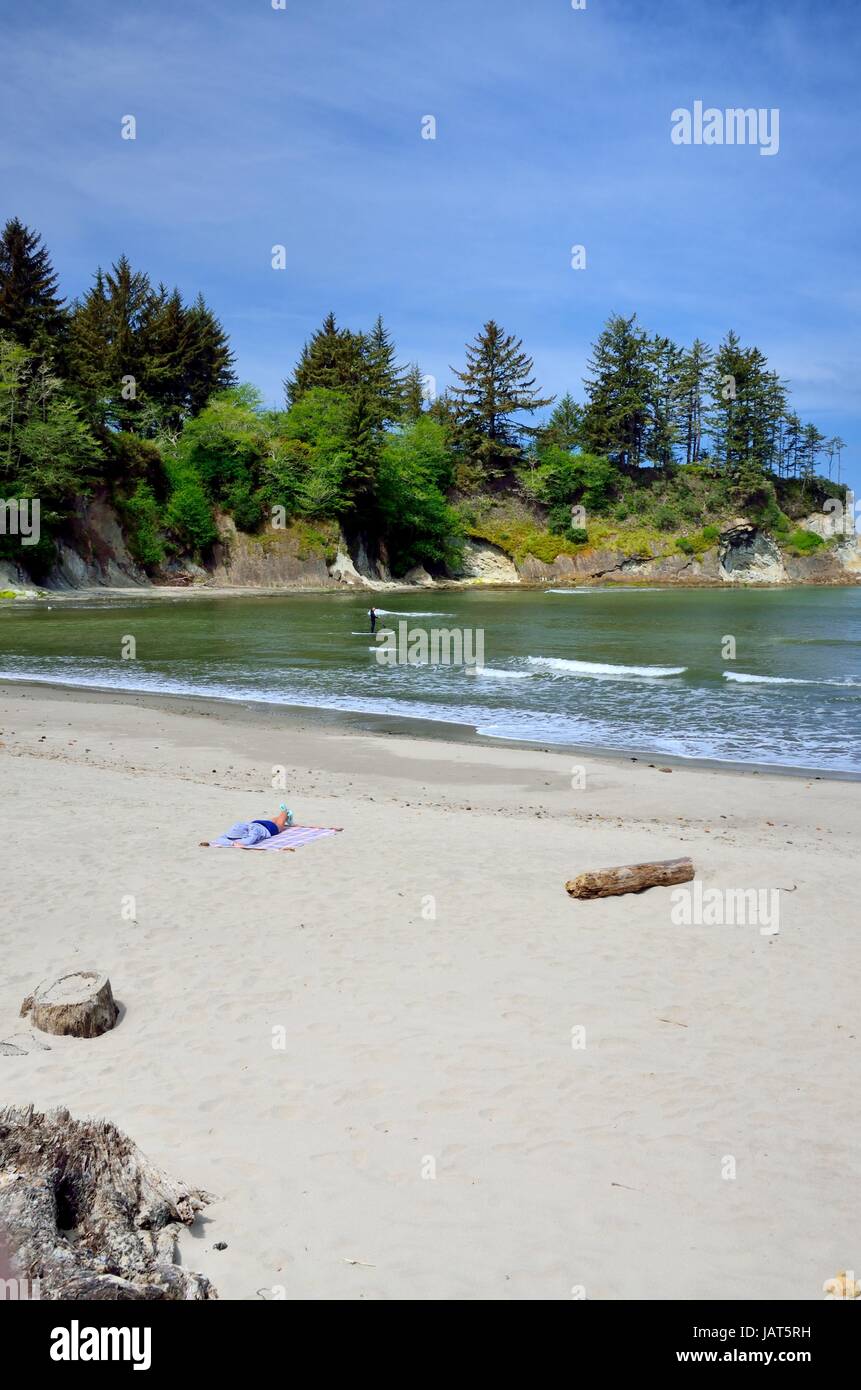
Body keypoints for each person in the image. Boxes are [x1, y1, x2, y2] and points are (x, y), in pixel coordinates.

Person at [224, 806, 292, 848]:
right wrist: (232, 843)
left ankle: (285, 811)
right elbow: (220, 839)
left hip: (269, 829)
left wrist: (234, 843)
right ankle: (283, 816)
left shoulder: (253, 833)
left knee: (280, 826)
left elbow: (249, 841)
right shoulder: (236, 831)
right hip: (256, 822)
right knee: (272, 821)